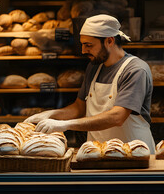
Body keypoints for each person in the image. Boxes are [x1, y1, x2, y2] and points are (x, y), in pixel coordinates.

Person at [25, 14, 155, 153]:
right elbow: (79, 108)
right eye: (82, 44)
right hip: (97, 153)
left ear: (109, 41)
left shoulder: (135, 70)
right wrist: (51, 115)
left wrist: (65, 124)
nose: (83, 51)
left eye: (89, 45)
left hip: (134, 155)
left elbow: (117, 117)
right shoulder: (94, 67)